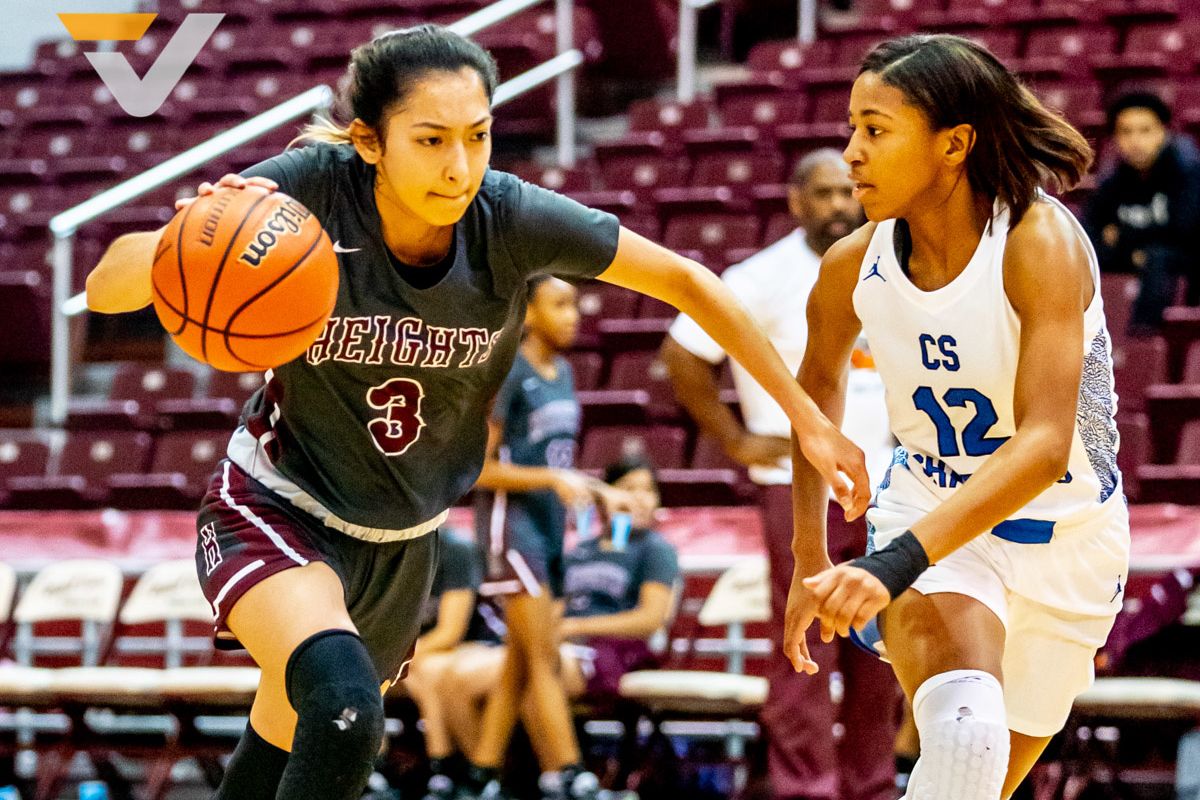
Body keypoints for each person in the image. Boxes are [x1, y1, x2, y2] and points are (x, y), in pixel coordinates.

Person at [84, 25, 869, 800]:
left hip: (404, 537)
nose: (459, 165)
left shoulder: (509, 218)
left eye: (477, 136)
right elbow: (106, 285)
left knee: (289, 732)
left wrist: (806, 417)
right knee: (345, 710)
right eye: (431, 140)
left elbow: (689, 283)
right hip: (279, 503)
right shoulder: (312, 188)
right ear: (369, 141)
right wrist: (182, 241)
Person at [784, 34, 1130, 800]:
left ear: (953, 144)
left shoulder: (1038, 242)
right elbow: (814, 405)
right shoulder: (852, 265)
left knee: (971, 786)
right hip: (933, 518)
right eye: (851, 128)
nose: (852, 153)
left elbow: (1045, 445)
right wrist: (810, 552)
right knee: (966, 732)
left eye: (876, 130)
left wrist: (891, 563)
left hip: (1073, 539)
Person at [661, 149, 901, 800]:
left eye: (846, 193)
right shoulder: (759, 277)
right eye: (823, 194)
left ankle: (873, 786)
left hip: (888, 485)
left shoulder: (889, 261)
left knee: (881, 648)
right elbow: (682, 353)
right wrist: (736, 439)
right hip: (797, 486)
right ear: (796, 202)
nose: (838, 206)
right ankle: (806, 787)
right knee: (803, 642)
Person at [466, 271, 626, 798]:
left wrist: (597, 492)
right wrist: (552, 480)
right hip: (510, 525)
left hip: (550, 526)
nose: (573, 316)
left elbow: (558, 466)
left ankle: (480, 774)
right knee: (542, 656)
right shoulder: (507, 370)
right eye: (559, 305)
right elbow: (476, 468)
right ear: (528, 312)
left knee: (520, 656)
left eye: (575, 305)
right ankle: (570, 774)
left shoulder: (563, 372)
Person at [441, 456, 679, 800]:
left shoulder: (655, 549)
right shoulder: (581, 548)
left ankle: (553, 778)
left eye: (648, 491)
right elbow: (555, 606)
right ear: (603, 495)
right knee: (466, 678)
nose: (639, 499)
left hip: (614, 649)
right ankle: (498, 777)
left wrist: (574, 625)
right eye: (629, 489)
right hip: (564, 640)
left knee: (537, 666)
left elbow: (650, 619)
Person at [1082, 90, 1200, 334]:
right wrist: (1137, 247)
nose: (1135, 141)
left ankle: (1143, 338)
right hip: (1129, 258)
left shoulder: (1188, 174)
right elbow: (1088, 237)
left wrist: (1122, 237)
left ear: (1164, 132)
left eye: (1145, 130)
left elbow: (1184, 233)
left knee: (1158, 257)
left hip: (1180, 266)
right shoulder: (1111, 183)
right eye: (1126, 132)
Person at [401, 528, 504, 800]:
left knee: (428, 670)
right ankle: (379, 771)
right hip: (420, 653)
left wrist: (399, 657)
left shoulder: (457, 549)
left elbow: (450, 632)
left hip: (472, 645)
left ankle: (445, 769)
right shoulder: (388, 549)